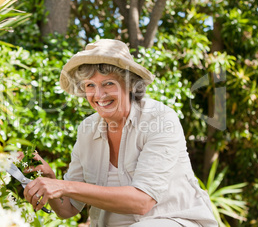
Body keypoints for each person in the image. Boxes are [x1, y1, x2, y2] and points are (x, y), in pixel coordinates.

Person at [23, 39, 218, 227]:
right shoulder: (87, 130)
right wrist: (50, 178)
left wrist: (64, 186)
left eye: (108, 83)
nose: (98, 95)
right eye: (90, 85)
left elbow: (142, 201)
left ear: (130, 84)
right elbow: (68, 209)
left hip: (176, 221)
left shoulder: (160, 119)